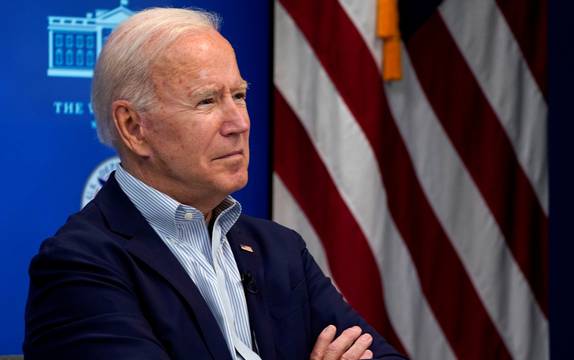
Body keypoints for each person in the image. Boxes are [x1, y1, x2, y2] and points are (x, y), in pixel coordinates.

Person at [23, 8, 406, 360]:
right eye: (207, 101)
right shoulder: (79, 266)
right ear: (133, 127)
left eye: (239, 96)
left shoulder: (280, 251)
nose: (238, 123)